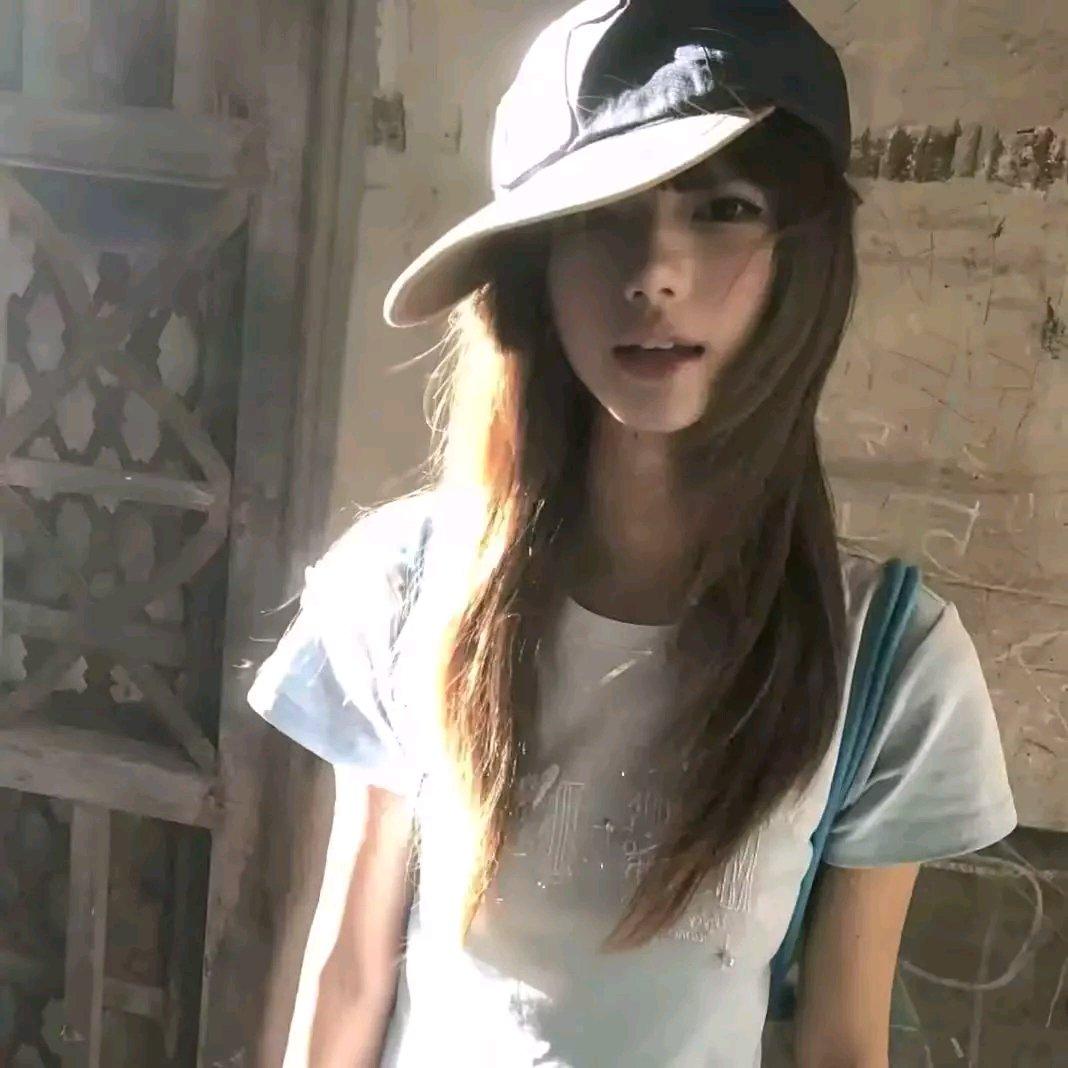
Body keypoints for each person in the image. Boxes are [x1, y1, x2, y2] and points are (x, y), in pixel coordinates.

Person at [248, 2, 1018, 1065]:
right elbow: (351, 971)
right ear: (532, 269)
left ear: (806, 258)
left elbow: (842, 1040)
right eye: (599, 215)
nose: (654, 269)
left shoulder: (887, 662)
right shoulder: (402, 588)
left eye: (724, 209)